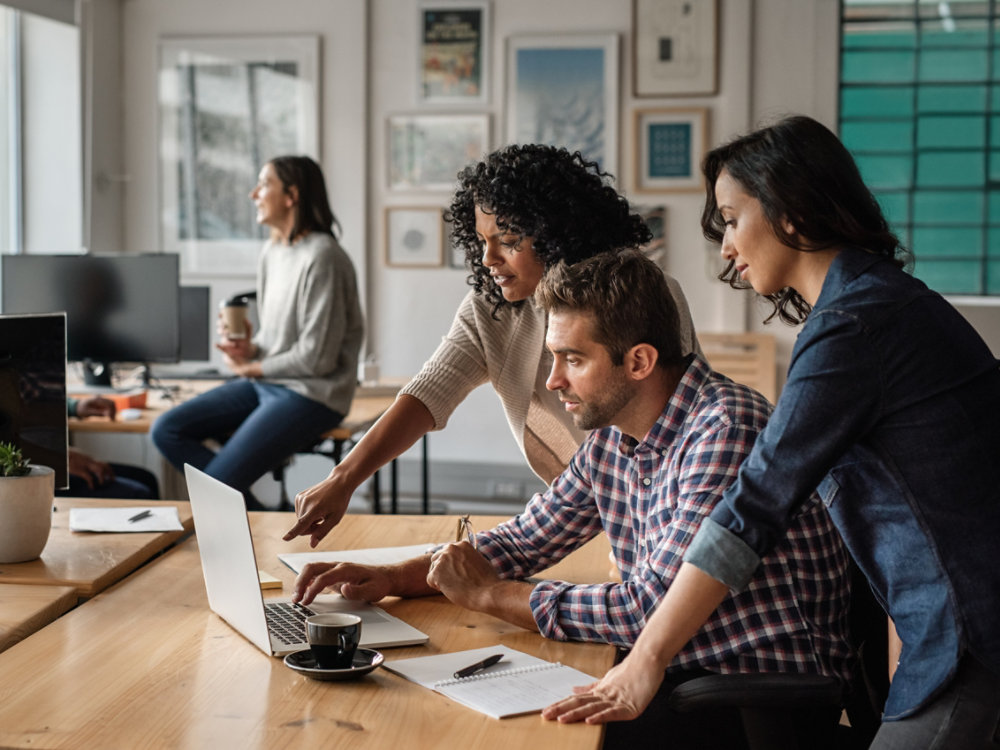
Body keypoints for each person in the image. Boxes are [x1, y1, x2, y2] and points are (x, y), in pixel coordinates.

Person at [544, 116, 1000, 748]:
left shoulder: (856, 327)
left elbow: (754, 504)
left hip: (973, 626)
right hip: (950, 621)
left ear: (791, 211)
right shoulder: (870, 307)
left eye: (732, 219)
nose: (726, 246)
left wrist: (645, 660)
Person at [292, 250, 854, 748]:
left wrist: (491, 597)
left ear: (638, 362)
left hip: (742, 696)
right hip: (674, 672)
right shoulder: (617, 434)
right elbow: (525, 539)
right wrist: (397, 576)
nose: (554, 381)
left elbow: (644, 610)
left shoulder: (723, 429)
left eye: (573, 360)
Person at [286, 144, 700, 545]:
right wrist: (343, 479)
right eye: (482, 240)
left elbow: (675, 425)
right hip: (578, 507)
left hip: (662, 503)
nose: (487, 258)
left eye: (507, 239)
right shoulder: (493, 307)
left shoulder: (639, 294)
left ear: (557, 232)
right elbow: (428, 393)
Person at [152, 156, 363, 509]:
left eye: (264, 184)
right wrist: (249, 349)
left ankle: (241, 515)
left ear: (291, 195)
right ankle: (256, 516)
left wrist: (251, 368)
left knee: (217, 485)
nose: (253, 194)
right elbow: (276, 343)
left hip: (313, 395)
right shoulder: (272, 252)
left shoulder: (324, 257)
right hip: (269, 385)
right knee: (166, 430)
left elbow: (317, 358)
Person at [61, 396, 160, 499]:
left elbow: (43, 400)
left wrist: (74, 406)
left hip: (56, 458)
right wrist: (60, 458)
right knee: (139, 494)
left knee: (146, 478)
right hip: (47, 473)